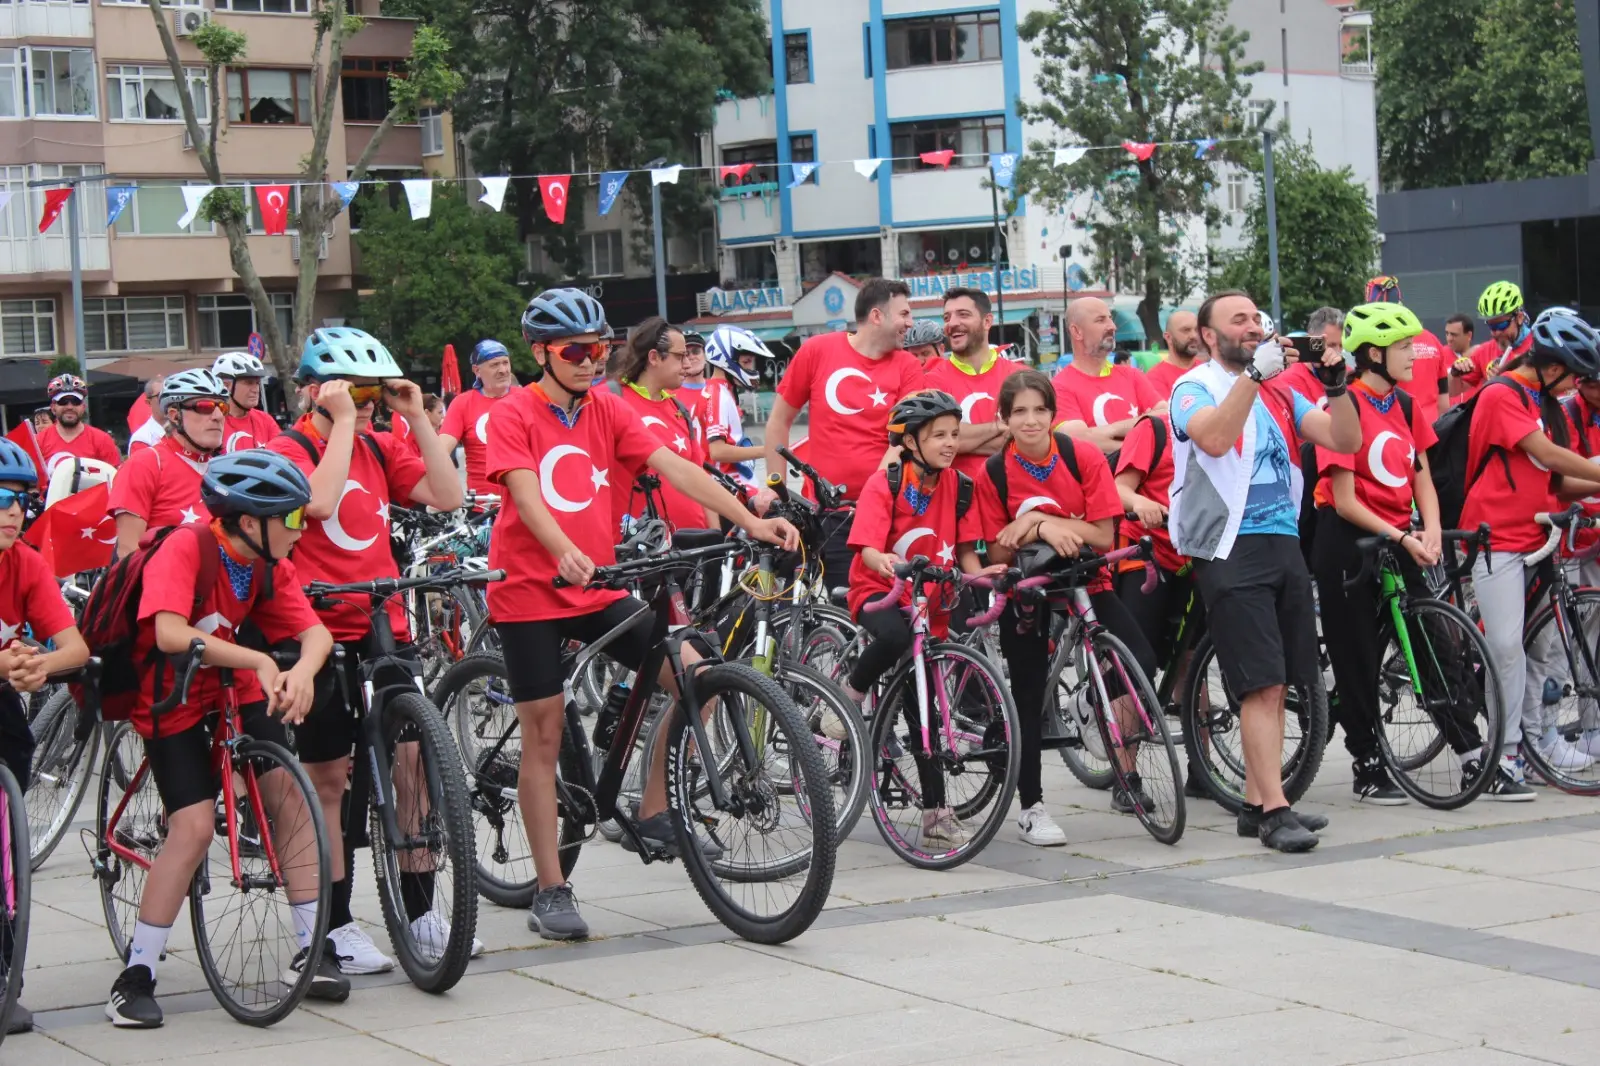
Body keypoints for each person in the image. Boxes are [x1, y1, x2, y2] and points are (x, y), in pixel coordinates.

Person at [485, 287, 797, 942]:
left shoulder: (606, 408)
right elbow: (524, 493)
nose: (590, 361)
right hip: (530, 590)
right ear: (540, 353)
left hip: (597, 587)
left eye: (598, 349)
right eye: (575, 351)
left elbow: (677, 467)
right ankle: (550, 889)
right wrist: (563, 549)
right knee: (542, 735)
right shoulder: (512, 413)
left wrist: (752, 519)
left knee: (695, 674)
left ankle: (653, 806)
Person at [102, 449, 340, 1029]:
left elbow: (315, 633)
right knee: (194, 827)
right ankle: (136, 974)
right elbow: (167, 632)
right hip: (171, 694)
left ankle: (315, 947)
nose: (298, 529)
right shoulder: (186, 546)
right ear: (248, 521)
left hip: (232, 685)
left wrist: (301, 671)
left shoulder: (266, 563)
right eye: (289, 519)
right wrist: (260, 658)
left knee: (287, 789)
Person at [264, 327, 466, 976]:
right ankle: (339, 921)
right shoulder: (286, 448)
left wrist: (414, 419)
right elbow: (318, 503)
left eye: (374, 392)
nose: (369, 404)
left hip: (381, 621)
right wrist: (343, 421)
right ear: (316, 394)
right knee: (328, 780)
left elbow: (448, 494)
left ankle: (420, 913)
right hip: (315, 625)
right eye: (356, 392)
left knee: (412, 765)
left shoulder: (381, 445)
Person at [1167, 290, 1361, 852]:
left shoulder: (1279, 389)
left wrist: (1337, 385)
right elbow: (1215, 438)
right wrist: (1254, 374)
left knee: (1282, 682)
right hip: (1230, 547)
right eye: (1239, 320)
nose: (1253, 327)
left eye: (1256, 319)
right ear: (1208, 336)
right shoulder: (1193, 386)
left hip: (1282, 542)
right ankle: (1275, 812)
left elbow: (1344, 439)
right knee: (1260, 682)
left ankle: (1258, 802)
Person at [974, 372, 1156, 840]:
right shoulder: (993, 473)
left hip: (1085, 580)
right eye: (1019, 412)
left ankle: (1090, 703)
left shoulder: (1082, 455)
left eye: (1039, 410)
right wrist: (1043, 529)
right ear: (1004, 419)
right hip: (1028, 589)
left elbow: (1102, 534)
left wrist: (1036, 519)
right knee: (1030, 698)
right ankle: (1031, 806)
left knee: (1142, 661)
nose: (1030, 420)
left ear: (1054, 415)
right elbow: (997, 554)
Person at [1310, 303, 1458, 806]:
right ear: (1373, 353)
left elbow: (1422, 479)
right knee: (1357, 657)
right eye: (1402, 347)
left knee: (1435, 640)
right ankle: (1367, 763)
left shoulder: (1408, 406)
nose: (1415, 354)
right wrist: (1402, 537)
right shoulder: (1343, 405)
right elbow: (1346, 501)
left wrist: (1431, 529)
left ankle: (1474, 748)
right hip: (1347, 538)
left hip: (1400, 537)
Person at [843, 390, 991, 846]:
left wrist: (986, 579)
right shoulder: (885, 481)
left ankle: (934, 814)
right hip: (880, 592)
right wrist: (884, 560)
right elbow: (866, 547)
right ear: (909, 442)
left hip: (932, 605)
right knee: (895, 638)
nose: (951, 443)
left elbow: (966, 552)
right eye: (939, 436)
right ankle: (850, 694)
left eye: (954, 433)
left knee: (923, 709)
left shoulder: (961, 486)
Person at [1463, 309, 1600, 796]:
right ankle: (1502, 758)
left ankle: (1535, 745)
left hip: (1539, 535)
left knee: (1540, 648)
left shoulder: (1541, 400)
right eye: (1574, 376)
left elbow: (1556, 480)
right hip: (1496, 538)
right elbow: (1545, 455)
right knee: (1504, 649)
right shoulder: (1502, 394)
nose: (1574, 387)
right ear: (1551, 364)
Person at [0, 440, 89, 1034]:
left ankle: (7, 973)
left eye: (22, 502)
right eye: (2, 500)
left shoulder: (25, 562)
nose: (13, 513)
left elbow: (76, 646)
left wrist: (39, 667)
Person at [766, 278, 926, 584]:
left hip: (885, 511)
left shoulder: (908, 366)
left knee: (890, 605)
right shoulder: (817, 350)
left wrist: (872, 500)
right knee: (841, 608)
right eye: (904, 314)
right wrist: (778, 496)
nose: (910, 323)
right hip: (828, 513)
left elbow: (903, 442)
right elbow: (778, 421)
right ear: (877, 316)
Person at [608, 318, 718, 531]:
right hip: (640, 550)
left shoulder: (679, 408)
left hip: (695, 546)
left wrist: (715, 534)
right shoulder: (613, 400)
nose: (687, 364)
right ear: (654, 357)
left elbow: (699, 477)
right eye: (680, 356)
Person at [109, 370, 230, 559]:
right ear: (174, 416)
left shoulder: (223, 468)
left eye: (222, 407)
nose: (217, 416)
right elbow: (128, 555)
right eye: (205, 406)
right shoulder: (145, 464)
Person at [922, 288, 1023, 481]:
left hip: (1013, 497)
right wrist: (1000, 428)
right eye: (946, 317)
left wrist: (963, 440)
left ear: (987, 322)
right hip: (957, 501)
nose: (952, 323)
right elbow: (936, 442)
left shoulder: (1020, 377)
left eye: (963, 315)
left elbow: (1030, 438)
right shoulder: (932, 381)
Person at [1051, 296, 1164, 454]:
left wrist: (1109, 430)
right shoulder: (1059, 387)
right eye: (1100, 320)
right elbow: (1078, 440)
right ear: (1076, 332)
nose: (1112, 326)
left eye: (1110, 318)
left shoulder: (1132, 375)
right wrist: (1142, 442)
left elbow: (1166, 416)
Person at [683, 325, 772, 489]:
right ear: (727, 360)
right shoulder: (717, 394)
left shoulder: (722, 390)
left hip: (731, 482)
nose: (750, 369)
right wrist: (767, 450)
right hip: (726, 485)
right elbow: (718, 452)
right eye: (746, 362)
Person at [1364, 277, 1450, 424]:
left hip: (1399, 430)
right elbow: (1443, 400)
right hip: (1433, 429)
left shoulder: (1376, 346)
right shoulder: (1432, 339)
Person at [439, 339, 516, 496]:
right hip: (483, 507)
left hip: (526, 504)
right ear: (477, 370)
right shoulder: (463, 403)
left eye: (505, 363)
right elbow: (440, 451)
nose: (503, 370)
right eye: (494, 365)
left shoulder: (527, 399)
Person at [1452, 281, 1532, 400]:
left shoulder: (1538, 346)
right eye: (1491, 326)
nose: (1496, 332)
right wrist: (1455, 373)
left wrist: (1507, 379)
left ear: (1519, 318)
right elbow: (1454, 391)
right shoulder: (1485, 351)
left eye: (1501, 325)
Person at [38, 374, 120, 478]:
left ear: (83, 407)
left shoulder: (102, 440)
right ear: (53, 407)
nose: (70, 407)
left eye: (75, 402)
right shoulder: (39, 441)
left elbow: (114, 480)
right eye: (63, 402)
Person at [212, 352, 280, 453]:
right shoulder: (211, 421)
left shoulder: (265, 420)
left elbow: (284, 454)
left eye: (257, 383)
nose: (256, 390)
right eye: (249, 383)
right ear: (226, 386)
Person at [1145, 310, 1202, 397]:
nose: (1194, 336)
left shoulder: (1210, 370)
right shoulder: (1154, 378)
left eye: (1197, 330)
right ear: (1168, 337)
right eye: (1186, 330)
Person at [127, 377, 167, 454]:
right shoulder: (142, 439)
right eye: (160, 395)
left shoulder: (186, 427)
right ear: (149, 402)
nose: (167, 400)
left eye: (169, 395)